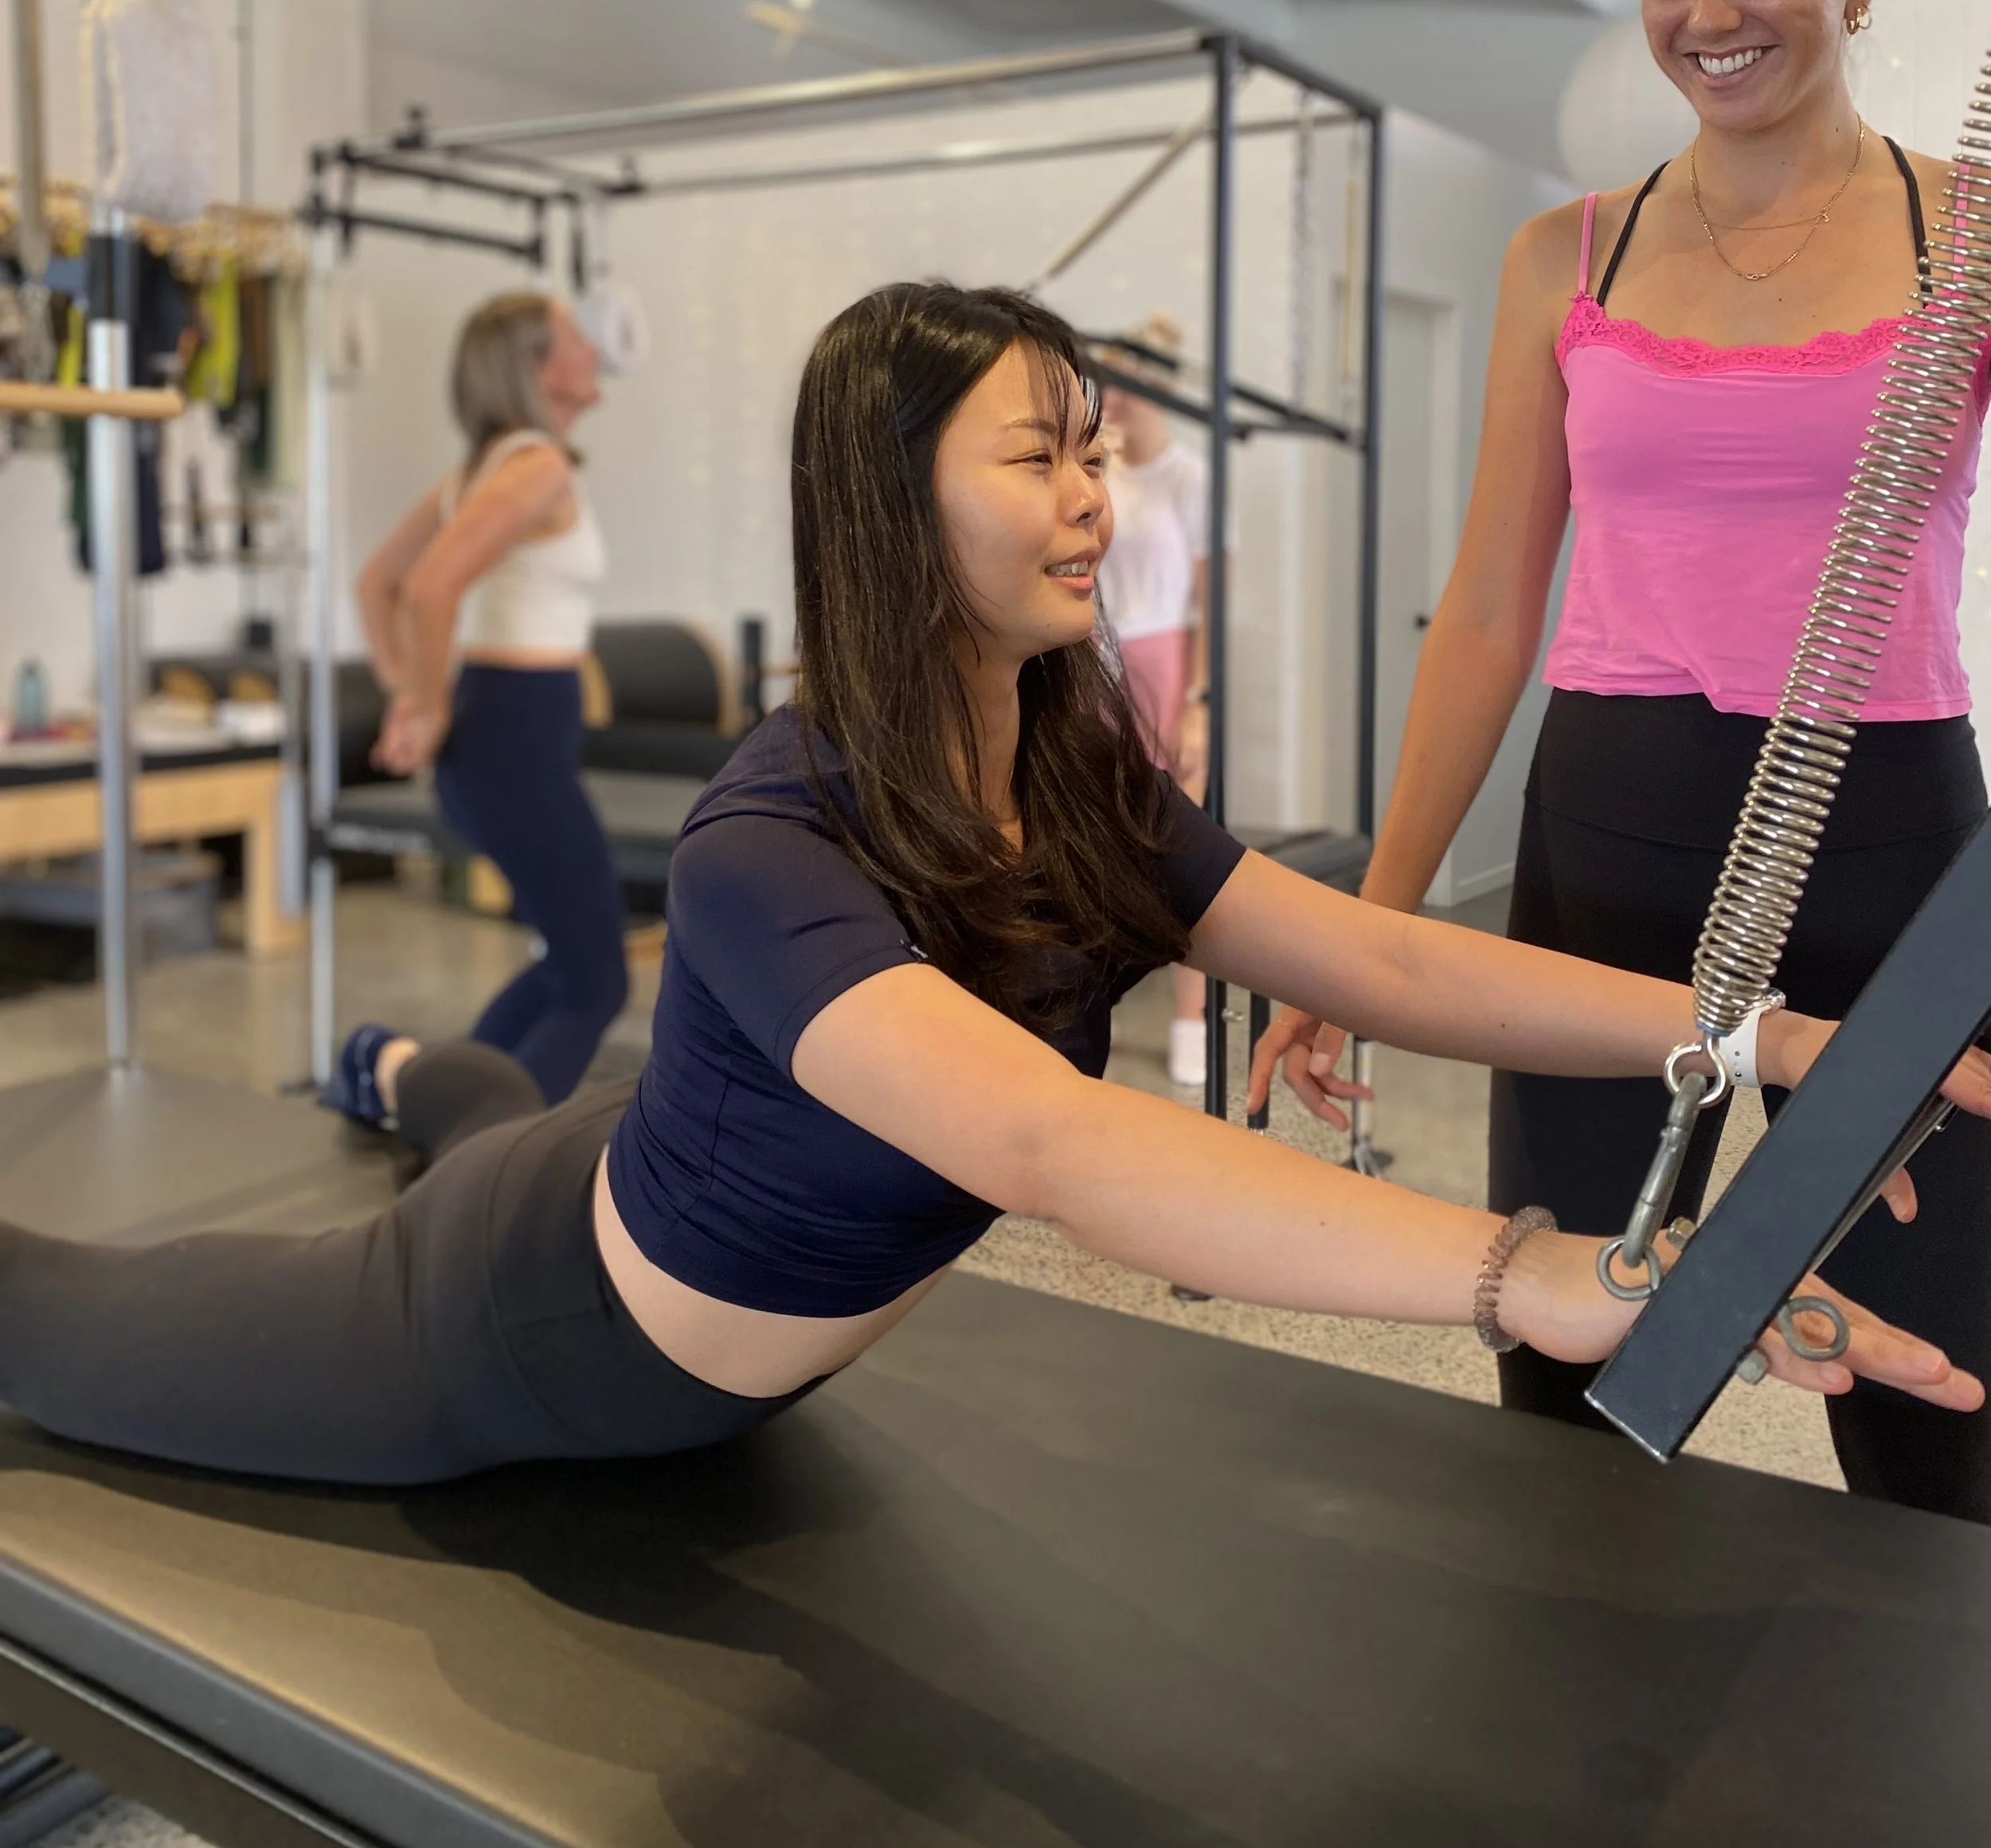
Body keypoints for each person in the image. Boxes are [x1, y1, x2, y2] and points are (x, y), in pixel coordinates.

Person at [0, 282, 1979, 1488]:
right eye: (1041, 457)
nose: (1094, 497)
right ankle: (410, 1085)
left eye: (1094, 451)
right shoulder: (765, 842)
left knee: (482, 1106)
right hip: (515, 1333)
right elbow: (1054, 1147)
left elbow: (1378, 959)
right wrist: (1526, 1273)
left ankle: (397, 1063)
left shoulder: (1074, 773)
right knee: (58, 1323)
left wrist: (1761, 1038)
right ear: (894, 500)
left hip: (614, 1176)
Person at [1253, 0, 1991, 1522]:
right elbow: (1486, 612)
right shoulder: (1565, 256)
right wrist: (1366, 938)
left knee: (1939, 1373)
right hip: (1611, 829)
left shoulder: (1966, 238)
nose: (1707, 16)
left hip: (1886, 830)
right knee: (1570, 1345)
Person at [349, 290, 625, 1105]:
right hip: (512, 737)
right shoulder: (536, 468)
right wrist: (424, 706)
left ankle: (442, 1108)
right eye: (574, 337)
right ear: (535, 366)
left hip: (504, 738)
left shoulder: (483, 470)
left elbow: (377, 584)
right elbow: (427, 588)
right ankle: (492, 1151)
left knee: (570, 966)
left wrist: (409, 691)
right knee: (596, 983)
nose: (593, 349)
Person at [1096, 317, 1212, 1087]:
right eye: (1110, 377)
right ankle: (1079, 1012)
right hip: (1096, 662)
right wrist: (1094, 464)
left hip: (1167, 663)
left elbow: (1208, 599)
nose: (1119, 393)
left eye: (1134, 379)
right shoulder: (1093, 471)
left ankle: (1191, 1018)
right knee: (1091, 839)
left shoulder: (1188, 475)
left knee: (1181, 847)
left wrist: (1200, 698)